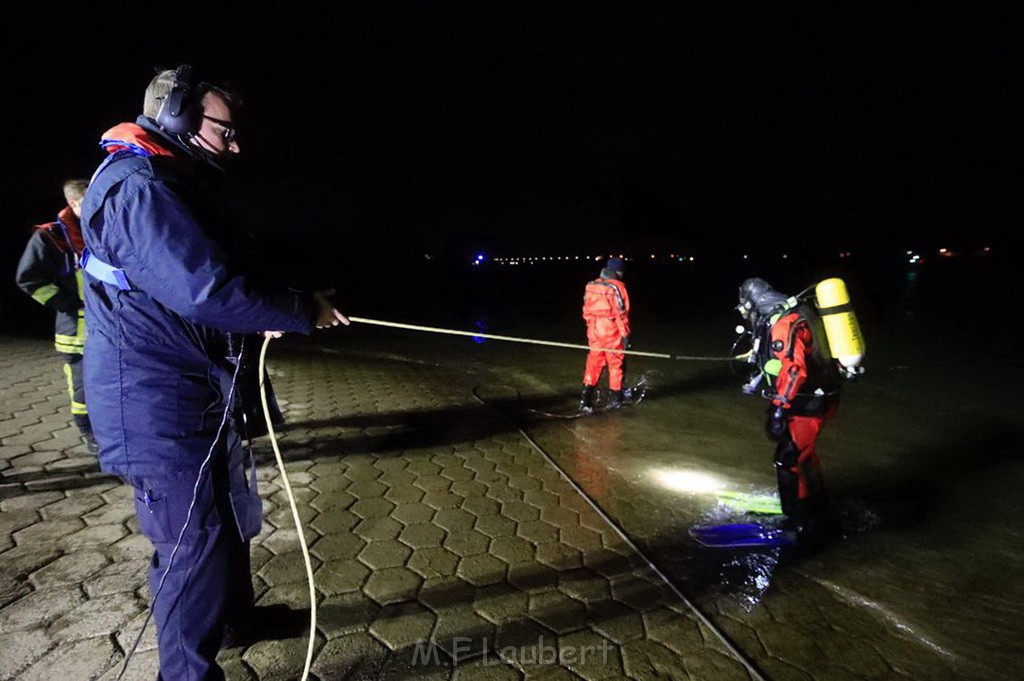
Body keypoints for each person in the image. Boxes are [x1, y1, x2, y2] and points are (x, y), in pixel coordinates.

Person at [79, 64, 349, 680]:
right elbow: (203, 289)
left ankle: (233, 623)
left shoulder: (170, 178)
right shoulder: (139, 187)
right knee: (191, 546)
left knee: (225, 519)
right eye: (225, 130)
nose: (236, 143)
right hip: (155, 400)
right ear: (178, 117)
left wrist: (282, 297)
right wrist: (301, 310)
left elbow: (220, 272)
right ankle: (187, 674)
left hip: (193, 389)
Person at [736, 277, 841, 544]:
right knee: (803, 455)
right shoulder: (794, 313)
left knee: (786, 459)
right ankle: (819, 505)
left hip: (807, 403)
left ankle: (796, 522)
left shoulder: (785, 323)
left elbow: (795, 370)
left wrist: (779, 409)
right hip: (818, 397)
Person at [15, 178, 97, 452]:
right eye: (90, 199)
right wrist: (69, 304)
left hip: (113, 330)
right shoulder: (50, 237)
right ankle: (90, 435)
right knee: (83, 391)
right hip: (77, 333)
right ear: (73, 203)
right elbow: (28, 279)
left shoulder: (103, 228)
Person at [579, 257, 631, 412]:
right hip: (611, 330)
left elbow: (586, 311)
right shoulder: (618, 288)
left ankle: (585, 401)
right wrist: (625, 335)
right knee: (616, 365)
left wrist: (591, 328)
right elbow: (621, 314)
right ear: (618, 271)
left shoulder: (591, 285)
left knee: (594, 363)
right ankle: (616, 400)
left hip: (594, 330)